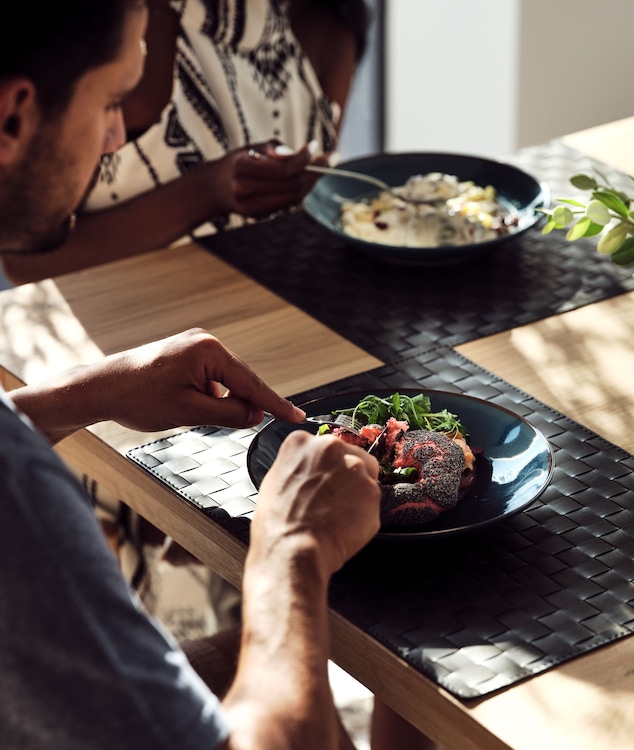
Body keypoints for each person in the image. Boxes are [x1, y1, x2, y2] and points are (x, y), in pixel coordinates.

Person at [0, 2, 431, 747]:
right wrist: (288, 553)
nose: (115, 136)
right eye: (110, 102)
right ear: (13, 117)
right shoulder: (21, 503)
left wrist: (87, 393)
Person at [0, 0, 369, 285]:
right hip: (130, 337)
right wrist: (209, 190)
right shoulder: (124, 27)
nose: (112, 139)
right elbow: (25, 247)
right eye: (111, 104)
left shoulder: (332, 28)